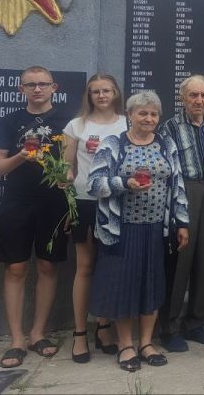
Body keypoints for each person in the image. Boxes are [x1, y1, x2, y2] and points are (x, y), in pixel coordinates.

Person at [89, 91, 190, 371]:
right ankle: (126, 345)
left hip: (156, 229)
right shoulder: (113, 144)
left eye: (154, 114)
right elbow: (94, 184)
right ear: (130, 115)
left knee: (151, 284)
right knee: (125, 286)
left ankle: (146, 342)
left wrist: (181, 223)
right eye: (142, 113)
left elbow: (177, 184)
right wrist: (125, 183)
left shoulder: (165, 144)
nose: (148, 119)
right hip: (122, 230)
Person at [0, 66, 72, 368]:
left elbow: (73, 164)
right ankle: (16, 338)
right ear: (21, 89)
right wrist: (22, 155)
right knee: (15, 268)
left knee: (49, 266)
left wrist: (68, 176)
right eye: (31, 84)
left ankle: (38, 332)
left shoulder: (69, 122)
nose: (37, 89)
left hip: (54, 201)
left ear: (54, 87)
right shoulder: (8, 121)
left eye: (43, 84)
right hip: (16, 202)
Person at [157, 74, 204, 352]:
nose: (198, 100)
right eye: (192, 95)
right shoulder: (170, 127)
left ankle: (196, 323)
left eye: (203, 96)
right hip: (183, 191)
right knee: (179, 261)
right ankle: (169, 327)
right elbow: (167, 169)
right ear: (182, 98)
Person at [62, 73, 127, 362]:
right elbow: (66, 166)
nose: (101, 96)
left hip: (116, 201)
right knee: (85, 266)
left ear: (116, 93)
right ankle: (79, 333)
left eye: (106, 90)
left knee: (109, 266)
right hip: (85, 202)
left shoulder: (127, 123)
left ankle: (104, 325)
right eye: (95, 91)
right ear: (88, 96)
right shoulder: (76, 125)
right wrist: (66, 179)